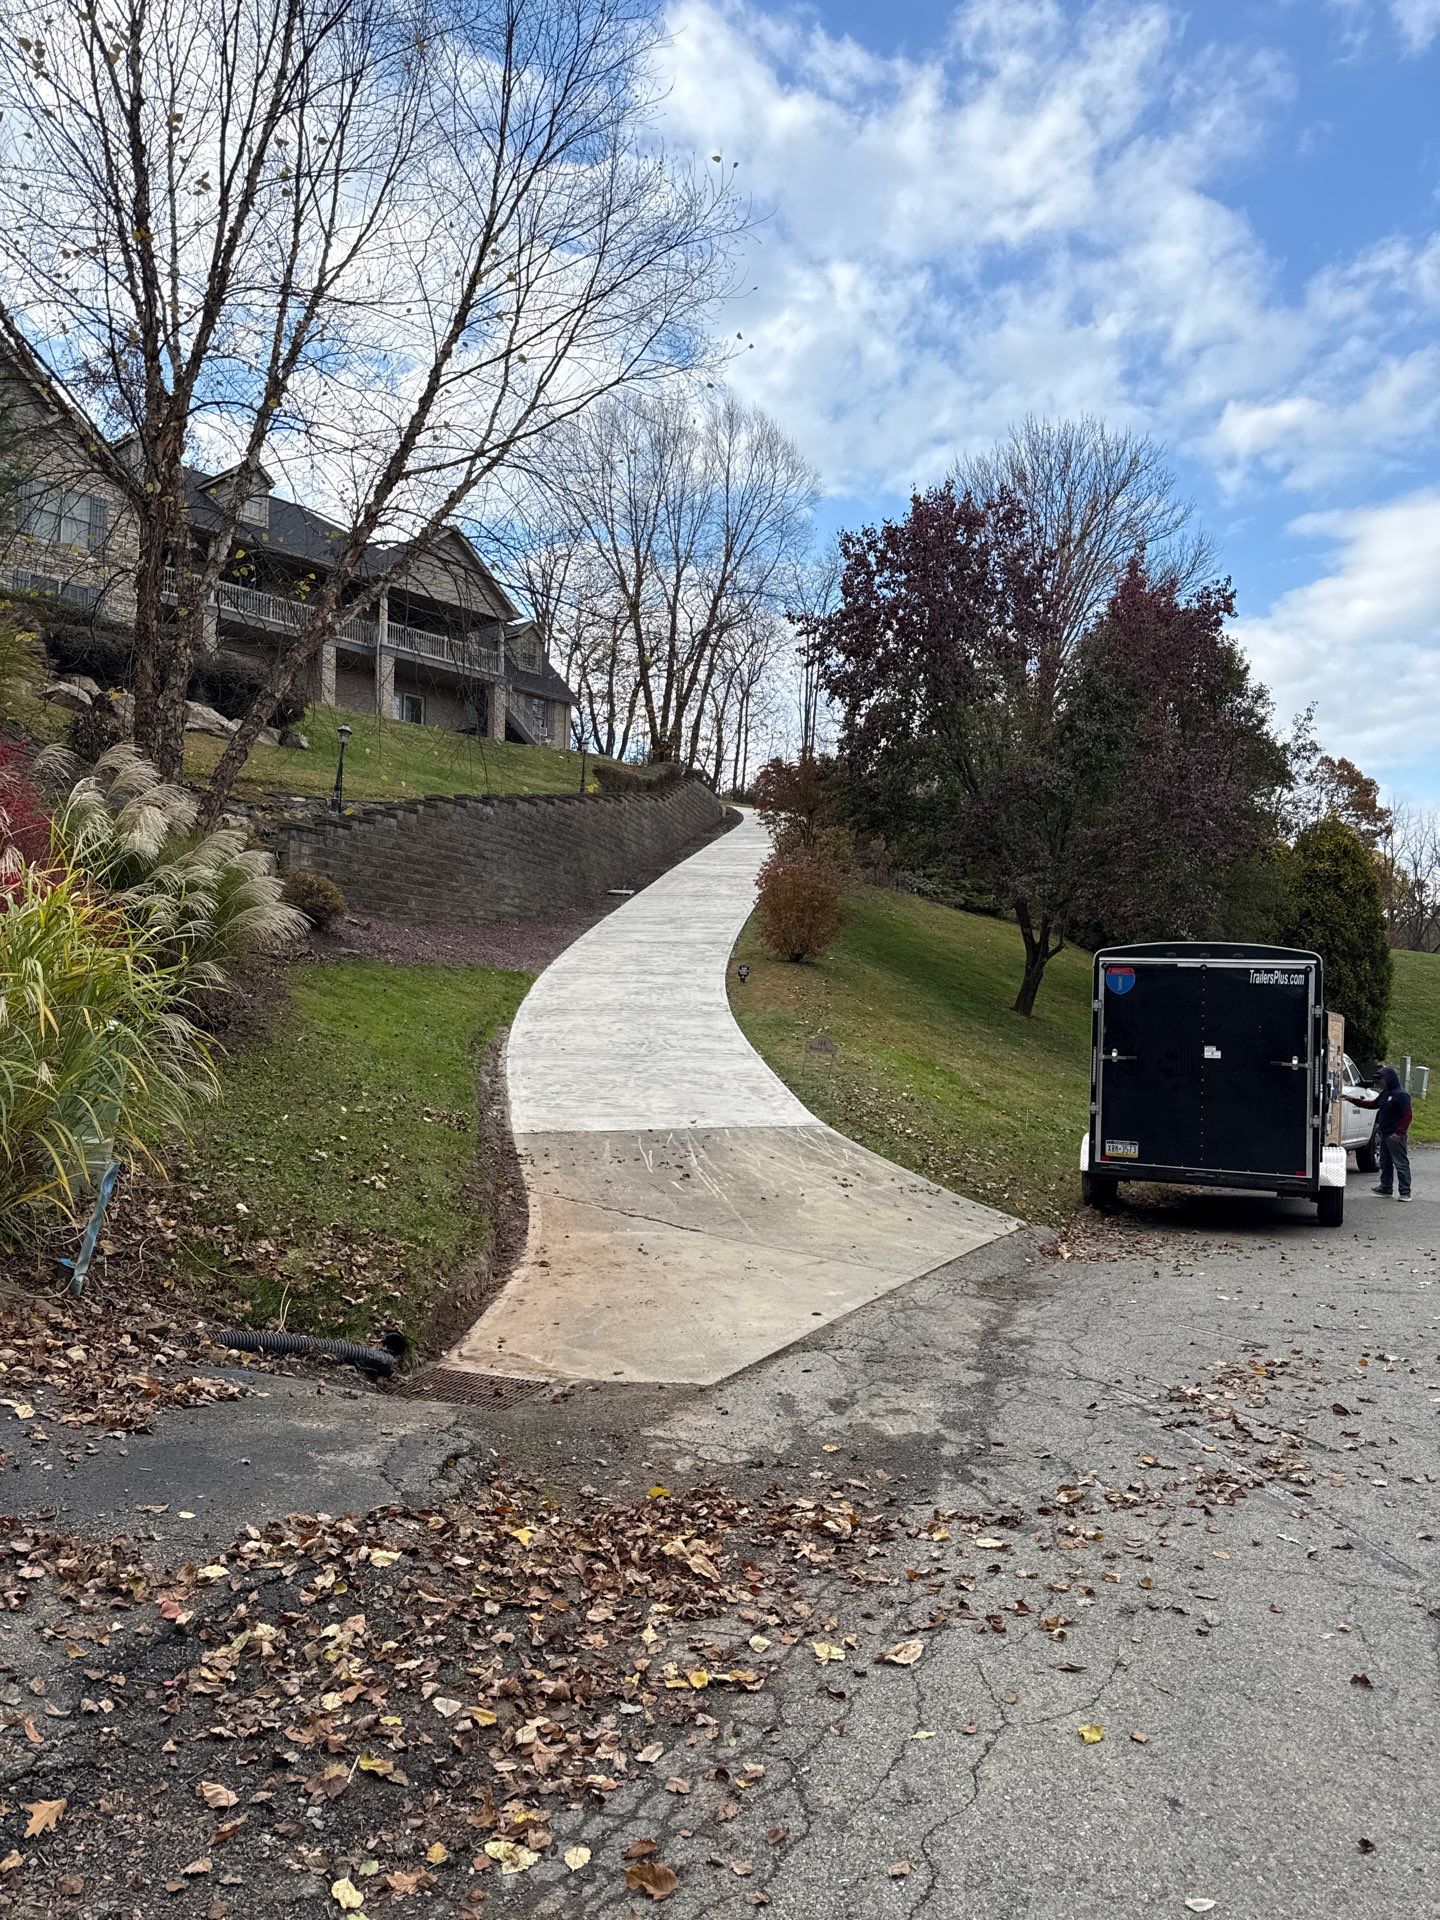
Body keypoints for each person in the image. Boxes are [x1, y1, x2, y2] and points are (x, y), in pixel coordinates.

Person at [1344, 1066, 1413, 1200]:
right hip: (1385, 1134)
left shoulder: (1401, 1095)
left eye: (1381, 1080)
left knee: (1400, 1163)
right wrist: (1352, 1100)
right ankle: (1386, 1188)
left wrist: (1399, 1132)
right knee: (1385, 1162)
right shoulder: (1384, 1094)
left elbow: (1407, 1115)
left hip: (1396, 1136)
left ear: (1389, 1079)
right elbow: (1372, 1105)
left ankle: (1405, 1192)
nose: (1379, 1083)